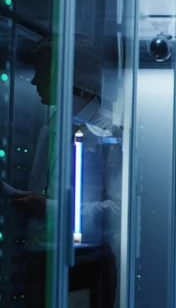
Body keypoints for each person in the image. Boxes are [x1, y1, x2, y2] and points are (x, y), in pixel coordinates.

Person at [2, 33, 121, 307]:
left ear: (70, 74)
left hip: (85, 263)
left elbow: (119, 211)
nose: (34, 82)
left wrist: (49, 209)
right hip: (43, 261)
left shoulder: (105, 131)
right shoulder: (50, 127)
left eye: (41, 71)